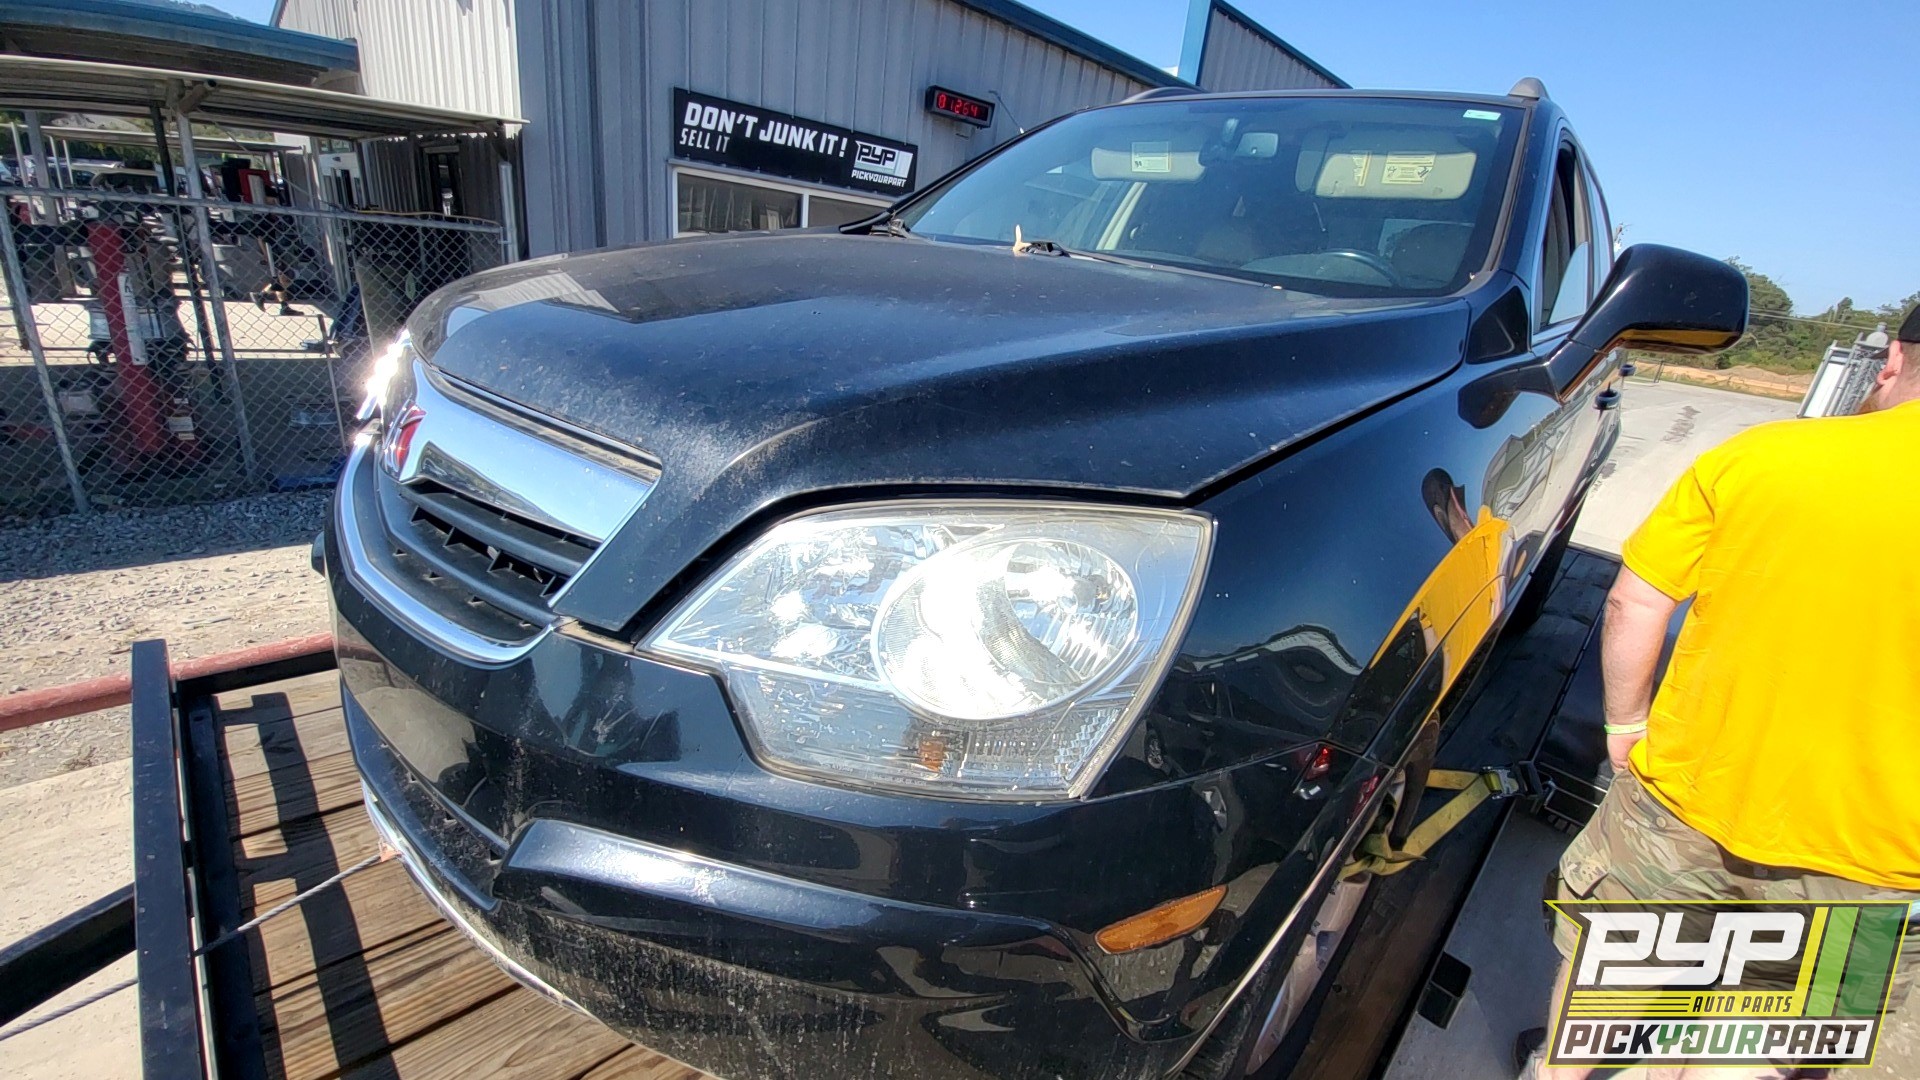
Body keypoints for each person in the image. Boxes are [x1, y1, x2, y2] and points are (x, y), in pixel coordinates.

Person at [1520, 304, 1920, 1080]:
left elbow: (1635, 601)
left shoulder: (1764, 458)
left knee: (1609, 988)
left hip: (1688, 799)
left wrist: (1625, 727)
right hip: (1882, 862)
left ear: (1894, 363)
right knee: (1756, 1050)